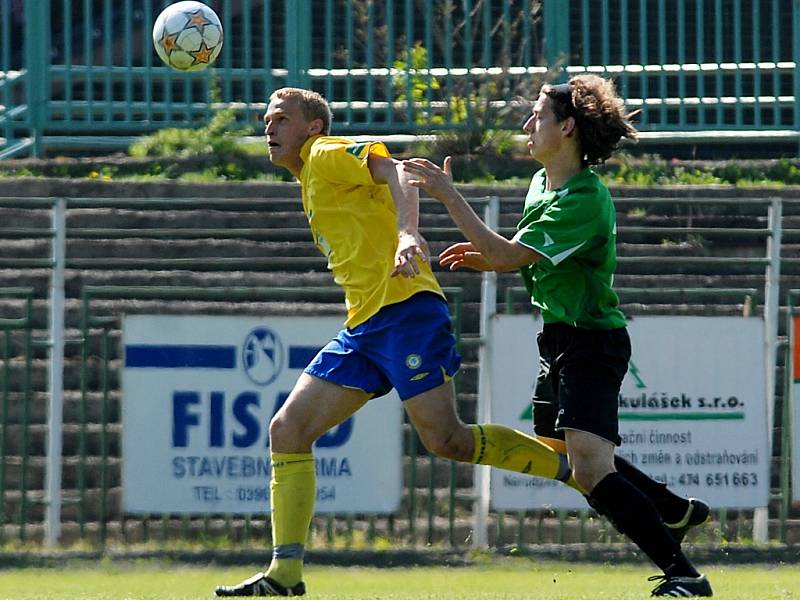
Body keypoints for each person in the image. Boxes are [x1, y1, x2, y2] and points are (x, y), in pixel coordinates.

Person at [214, 87, 614, 597]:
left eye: (281, 119)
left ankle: (573, 471)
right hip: (364, 327)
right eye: (265, 119)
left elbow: (399, 170)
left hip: (405, 312)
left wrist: (407, 234)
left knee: (447, 440)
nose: (269, 128)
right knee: (287, 430)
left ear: (313, 128)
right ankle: (284, 576)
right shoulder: (310, 176)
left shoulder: (325, 153)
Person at [403, 75, 713, 597]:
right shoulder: (543, 183)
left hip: (592, 342)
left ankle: (684, 574)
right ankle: (670, 508)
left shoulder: (584, 198)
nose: (528, 125)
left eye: (538, 117)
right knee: (558, 443)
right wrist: (488, 258)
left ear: (567, 127)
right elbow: (520, 257)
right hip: (560, 340)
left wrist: (448, 196)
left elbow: (509, 253)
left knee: (590, 471)